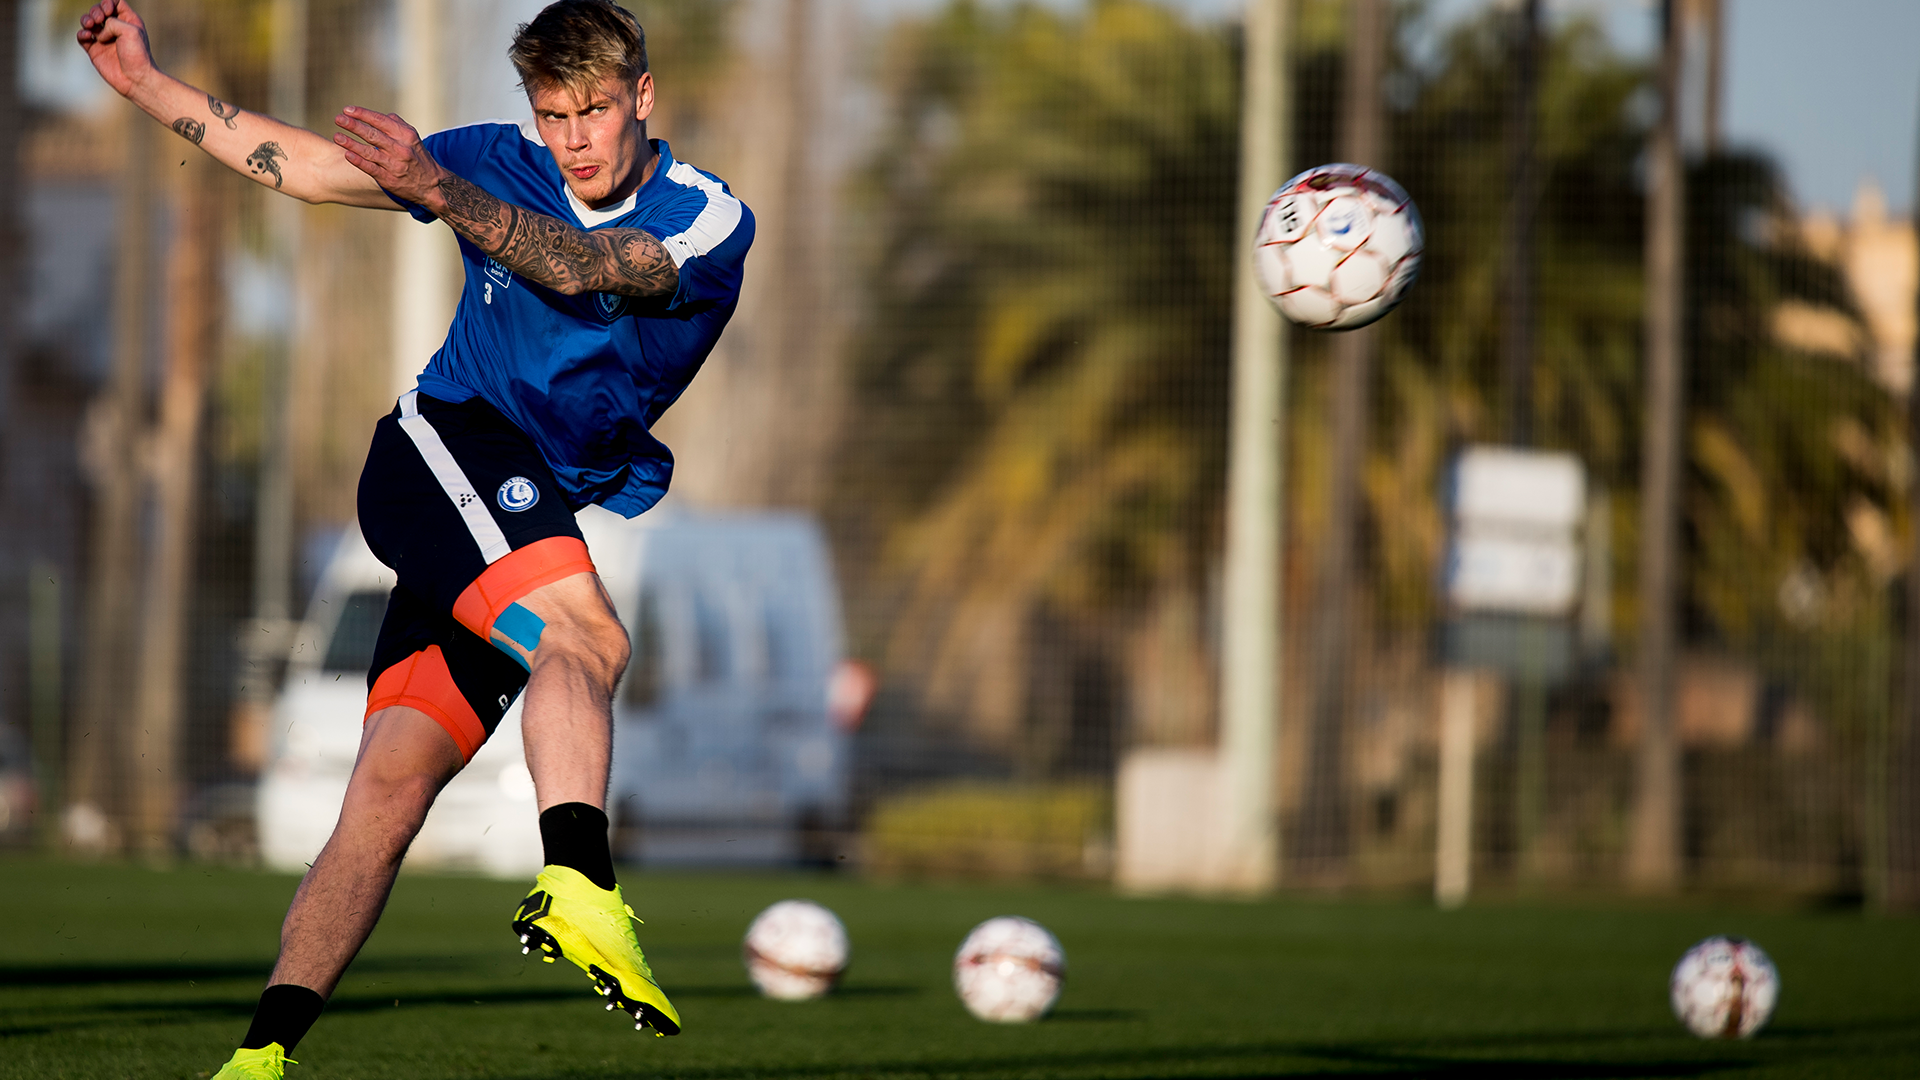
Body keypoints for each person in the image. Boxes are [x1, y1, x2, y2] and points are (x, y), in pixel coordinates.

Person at [77, 0, 753, 1074]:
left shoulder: (708, 218)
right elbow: (301, 165)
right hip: (444, 451)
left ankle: (259, 1059)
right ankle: (580, 880)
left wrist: (441, 191)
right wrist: (147, 83)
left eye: (593, 111)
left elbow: (590, 269)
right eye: (549, 116)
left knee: (389, 789)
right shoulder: (496, 160)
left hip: (519, 503)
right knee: (590, 637)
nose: (571, 139)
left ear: (643, 97)